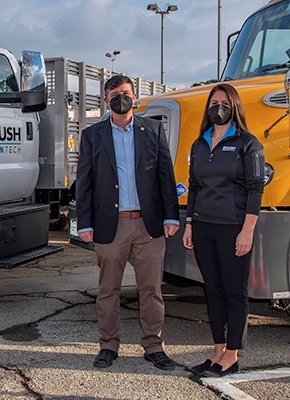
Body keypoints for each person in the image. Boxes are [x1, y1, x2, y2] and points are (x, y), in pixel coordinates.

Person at [76, 75, 180, 370]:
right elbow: (85, 183)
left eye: (125, 93)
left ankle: (153, 345)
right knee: (108, 291)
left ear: (134, 98)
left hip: (148, 226)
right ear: (106, 101)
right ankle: (108, 345)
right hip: (112, 226)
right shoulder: (92, 135)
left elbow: (165, 177)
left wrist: (171, 215)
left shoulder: (153, 129)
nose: (120, 98)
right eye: (114, 94)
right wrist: (85, 223)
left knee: (152, 290)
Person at [182, 84, 265, 377]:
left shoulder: (248, 144)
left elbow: (256, 189)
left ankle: (232, 354)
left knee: (234, 292)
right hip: (204, 227)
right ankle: (217, 351)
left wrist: (247, 231)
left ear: (234, 107)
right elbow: (194, 186)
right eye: (214, 102)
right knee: (213, 291)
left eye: (224, 102)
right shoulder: (199, 143)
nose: (218, 107)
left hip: (233, 228)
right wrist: (189, 224)